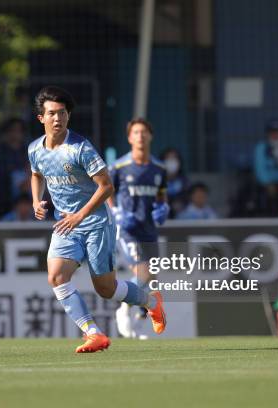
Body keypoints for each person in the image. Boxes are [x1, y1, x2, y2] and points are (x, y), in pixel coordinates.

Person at [28, 86, 165, 353]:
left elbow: (106, 187)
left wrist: (80, 215)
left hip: (96, 224)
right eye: (52, 114)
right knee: (56, 277)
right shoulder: (35, 149)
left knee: (105, 288)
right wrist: (36, 200)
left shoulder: (80, 148)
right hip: (66, 225)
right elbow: (36, 174)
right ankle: (94, 333)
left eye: (63, 113)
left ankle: (151, 302)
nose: (58, 119)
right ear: (41, 118)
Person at [107, 118, 169, 339]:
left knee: (152, 279)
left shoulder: (159, 168)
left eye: (144, 132)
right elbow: (107, 192)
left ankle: (137, 324)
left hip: (149, 229)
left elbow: (161, 194)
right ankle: (123, 308)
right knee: (143, 271)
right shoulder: (119, 167)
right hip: (128, 230)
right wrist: (116, 212)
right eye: (136, 132)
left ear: (150, 136)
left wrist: (163, 207)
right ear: (129, 137)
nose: (140, 136)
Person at [0, 118, 29, 216]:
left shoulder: (28, 149)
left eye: (18, 131)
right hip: (4, 187)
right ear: (6, 132)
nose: (15, 134)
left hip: (27, 186)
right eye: (12, 130)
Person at [160, 148, 188, 217]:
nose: (171, 161)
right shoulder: (157, 180)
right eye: (168, 158)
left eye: (174, 158)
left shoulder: (185, 181)